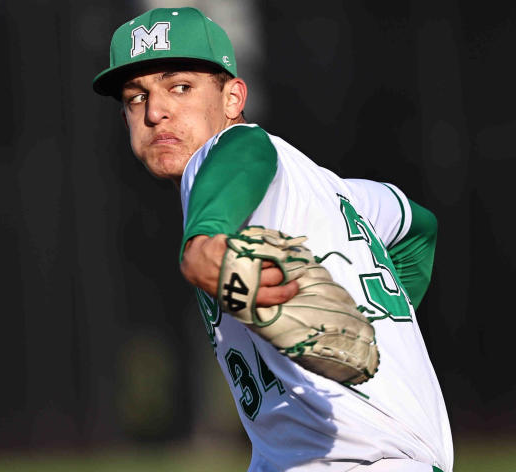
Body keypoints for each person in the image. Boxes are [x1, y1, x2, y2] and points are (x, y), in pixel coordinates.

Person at [93, 7, 453, 472]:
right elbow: (417, 225)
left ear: (233, 98)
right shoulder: (330, 191)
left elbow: (238, 155)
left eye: (179, 86)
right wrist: (378, 324)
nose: (156, 110)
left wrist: (204, 249)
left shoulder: (227, 151)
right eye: (135, 98)